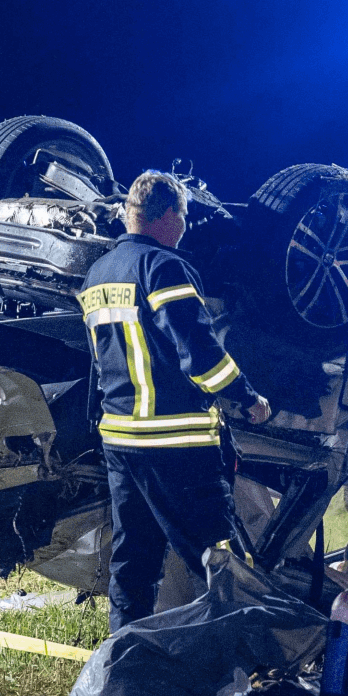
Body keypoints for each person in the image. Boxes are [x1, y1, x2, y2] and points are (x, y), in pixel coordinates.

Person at [81, 170, 271, 632]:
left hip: (121, 442)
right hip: (176, 443)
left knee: (134, 559)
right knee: (216, 558)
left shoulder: (99, 273)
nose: (185, 226)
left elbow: (98, 362)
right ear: (167, 214)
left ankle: (125, 652)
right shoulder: (164, 268)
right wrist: (247, 398)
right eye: (184, 215)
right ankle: (237, 660)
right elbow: (199, 353)